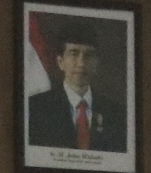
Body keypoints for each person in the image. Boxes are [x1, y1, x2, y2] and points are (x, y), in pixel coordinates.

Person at [23, 19, 126, 154]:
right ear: (60, 62)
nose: (81, 63)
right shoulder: (34, 109)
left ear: (96, 64)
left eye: (88, 55)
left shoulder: (118, 114)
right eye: (74, 54)